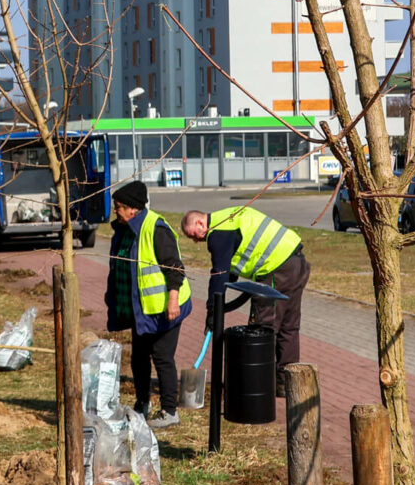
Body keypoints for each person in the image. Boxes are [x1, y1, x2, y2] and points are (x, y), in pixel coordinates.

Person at [181, 206, 309, 397]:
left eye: (194, 235)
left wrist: (212, 310)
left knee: (263, 327)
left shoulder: (218, 233)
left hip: (276, 267)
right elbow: (230, 268)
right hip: (296, 260)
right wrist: (220, 304)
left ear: (200, 223)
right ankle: (285, 382)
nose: (196, 240)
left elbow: (219, 274)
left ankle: (259, 383)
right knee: (289, 326)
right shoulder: (228, 217)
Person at [105, 181, 191, 429]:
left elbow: (174, 268)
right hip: (142, 309)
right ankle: (142, 403)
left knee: (162, 357)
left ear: (132, 208)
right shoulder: (124, 229)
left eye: (118, 207)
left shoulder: (156, 228)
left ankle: (170, 412)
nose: (115, 211)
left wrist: (172, 301)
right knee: (139, 357)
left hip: (166, 308)